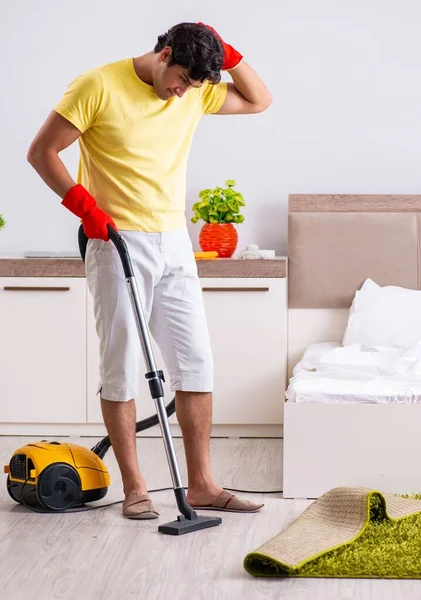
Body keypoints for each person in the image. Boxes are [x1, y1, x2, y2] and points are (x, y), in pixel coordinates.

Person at [27, 22, 272, 519]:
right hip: (116, 238)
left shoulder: (194, 93)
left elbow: (259, 99)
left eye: (195, 84)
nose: (183, 91)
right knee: (121, 368)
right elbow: (42, 152)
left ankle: (201, 483)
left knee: (195, 364)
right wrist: (86, 209)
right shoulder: (97, 85)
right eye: (181, 78)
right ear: (163, 54)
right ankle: (136, 487)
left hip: (175, 241)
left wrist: (228, 50)